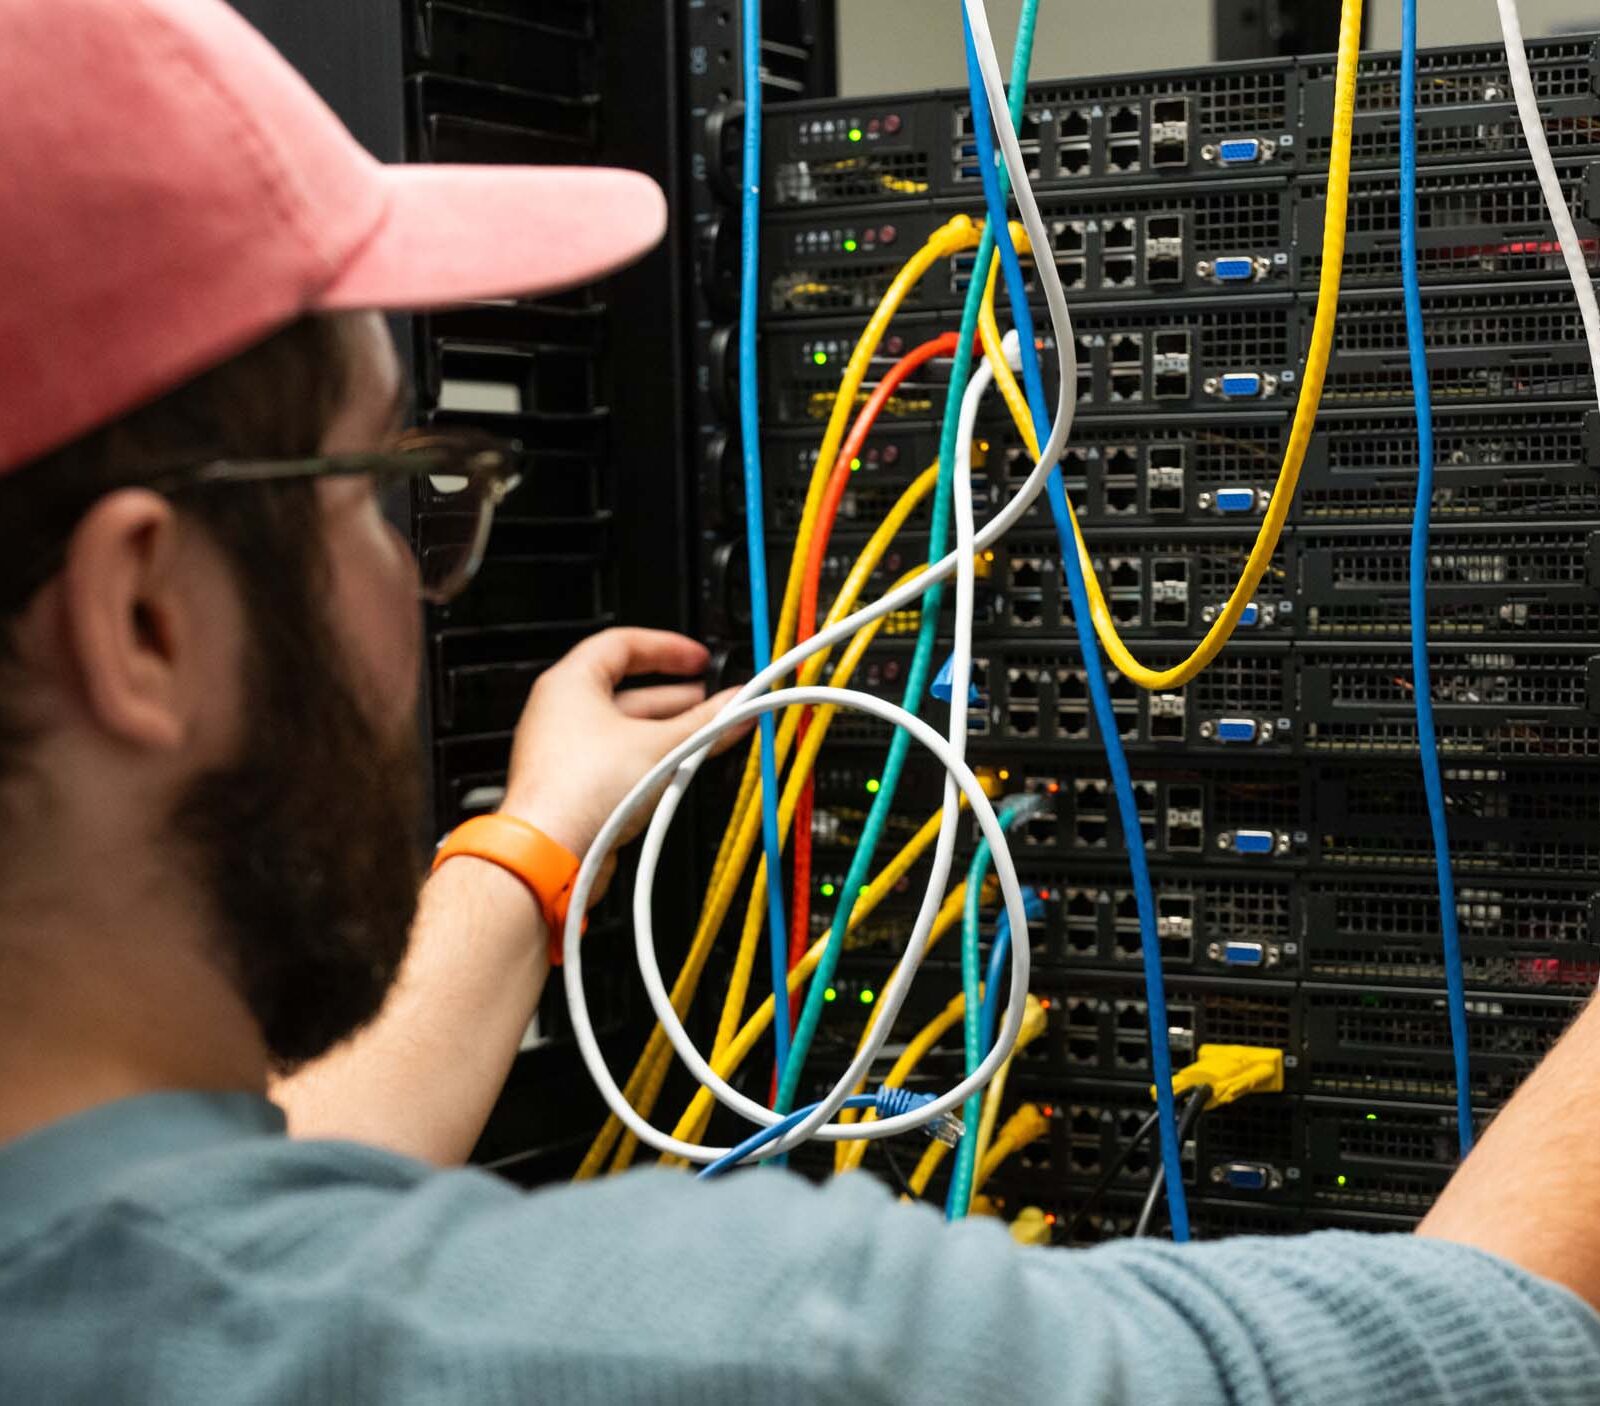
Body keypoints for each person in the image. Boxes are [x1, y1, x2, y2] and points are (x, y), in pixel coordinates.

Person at [1, 1, 1598, 1401]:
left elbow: (253, 1191)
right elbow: (1488, 1338)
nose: (428, 575)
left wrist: (539, 845)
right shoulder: (735, 1350)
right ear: (145, 615)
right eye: (391, 487)